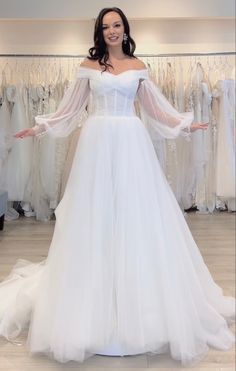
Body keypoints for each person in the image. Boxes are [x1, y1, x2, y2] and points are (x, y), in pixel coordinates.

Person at [0, 7, 235, 366]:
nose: (112, 31)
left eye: (117, 25)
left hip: (130, 142)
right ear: (100, 32)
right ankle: (91, 296)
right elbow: (71, 108)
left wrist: (184, 125)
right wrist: (40, 127)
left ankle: (137, 297)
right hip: (96, 143)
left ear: (125, 29)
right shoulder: (89, 67)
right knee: (94, 216)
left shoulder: (139, 67)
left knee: (134, 215)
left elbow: (154, 108)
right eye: (106, 26)